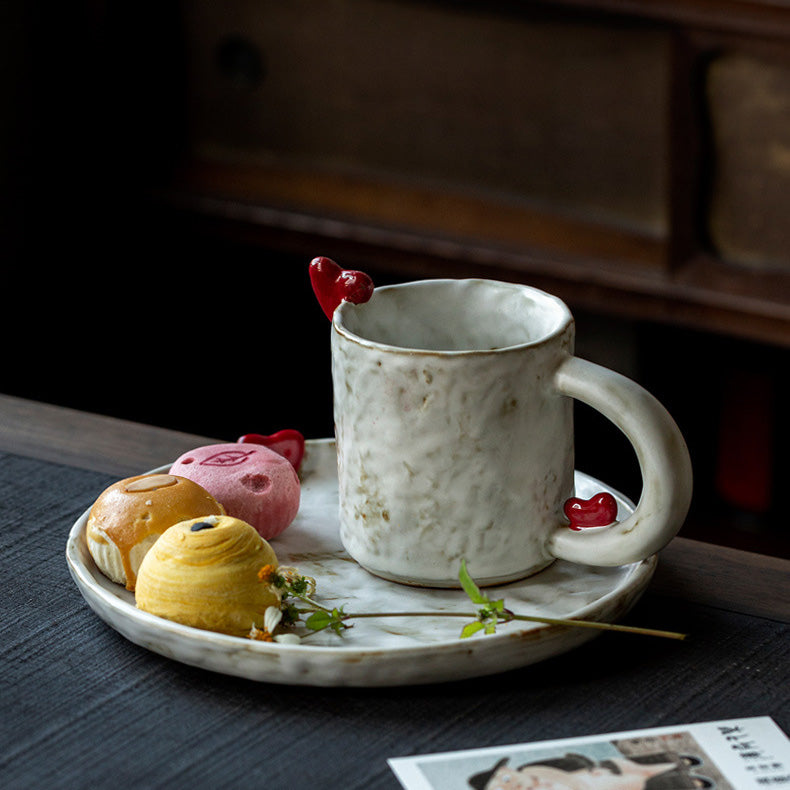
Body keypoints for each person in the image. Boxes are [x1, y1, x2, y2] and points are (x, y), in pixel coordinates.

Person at [468, 752, 714, 790]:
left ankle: (677, 763)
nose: (509, 785)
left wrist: (589, 772)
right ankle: (686, 781)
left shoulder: (532, 768)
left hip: (591, 774)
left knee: (633, 770)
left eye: (505, 778)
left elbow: (567, 770)